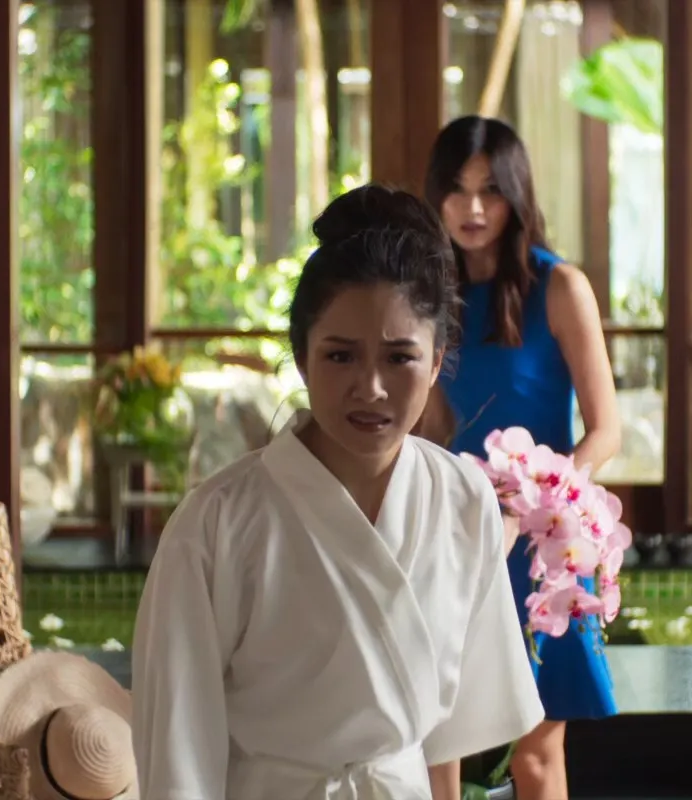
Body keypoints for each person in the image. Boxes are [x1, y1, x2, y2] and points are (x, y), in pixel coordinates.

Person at [130, 184, 545, 800]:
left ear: (436, 362)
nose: (370, 387)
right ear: (302, 358)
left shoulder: (464, 501)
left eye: (399, 358)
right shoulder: (217, 522)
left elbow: (447, 741)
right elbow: (177, 753)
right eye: (341, 356)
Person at [420, 115, 624, 800]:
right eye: (457, 189)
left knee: (537, 750)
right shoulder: (427, 295)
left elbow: (606, 430)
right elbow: (429, 427)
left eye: (490, 191)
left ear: (516, 195)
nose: (473, 208)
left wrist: (545, 499)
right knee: (439, 740)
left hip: (542, 543)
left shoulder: (560, 287)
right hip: (455, 533)